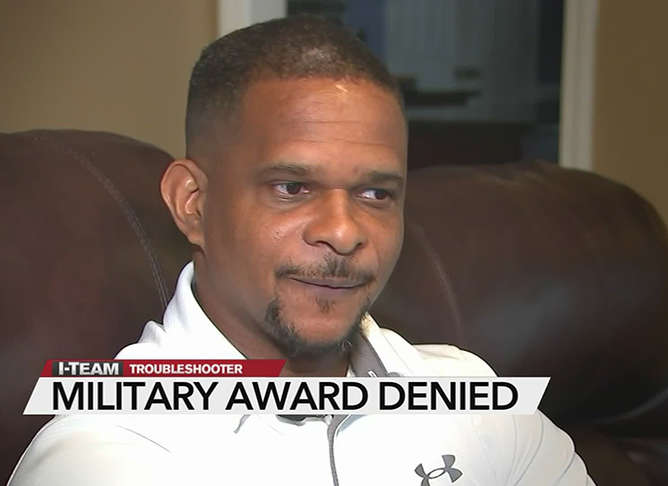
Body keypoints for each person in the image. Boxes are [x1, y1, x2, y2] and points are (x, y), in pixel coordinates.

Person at [9, 16, 594, 485]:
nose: (343, 231)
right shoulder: (107, 455)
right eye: (292, 187)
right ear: (193, 204)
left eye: (375, 193)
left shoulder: (476, 404)